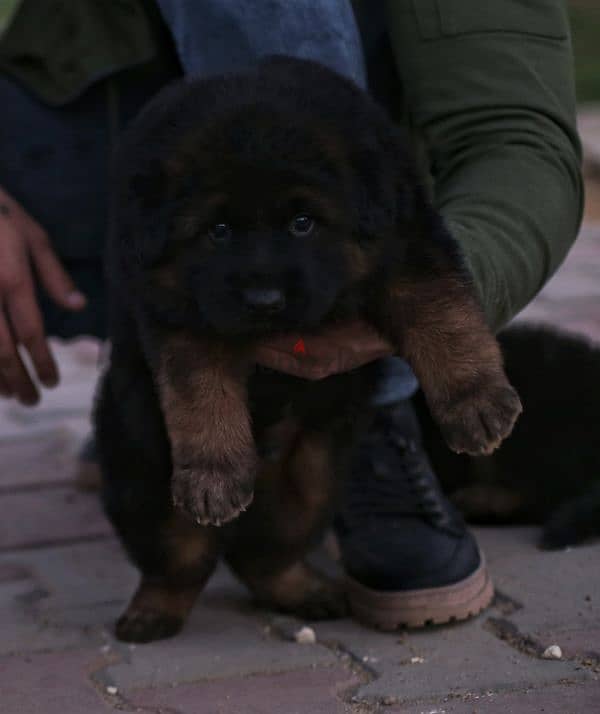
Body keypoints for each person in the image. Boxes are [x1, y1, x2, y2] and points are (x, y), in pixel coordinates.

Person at [0, 1, 582, 628]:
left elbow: (515, 135)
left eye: (300, 222)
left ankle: (376, 424)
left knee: (392, 281)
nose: (263, 284)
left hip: (351, 148)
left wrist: (448, 338)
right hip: (94, 138)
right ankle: (171, 476)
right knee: (166, 392)